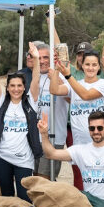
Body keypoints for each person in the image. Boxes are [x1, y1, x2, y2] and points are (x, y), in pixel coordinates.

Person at [0, 42, 42, 200]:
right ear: (7, 87)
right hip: (2, 157)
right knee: (7, 196)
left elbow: (36, 81)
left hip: (24, 159)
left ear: (24, 87)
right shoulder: (1, 103)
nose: (16, 89)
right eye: (12, 85)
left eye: (19, 85)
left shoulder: (30, 102)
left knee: (25, 197)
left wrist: (37, 59)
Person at [49, 46, 104, 146]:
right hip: (80, 145)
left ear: (98, 67)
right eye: (87, 64)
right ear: (82, 66)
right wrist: (57, 68)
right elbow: (54, 90)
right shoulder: (74, 84)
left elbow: (86, 95)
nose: (90, 68)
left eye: (94, 65)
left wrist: (68, 76)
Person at [32, 42, 69, 181]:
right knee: (35, 178)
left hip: (54, 136)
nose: (42, 61)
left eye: (45, 57)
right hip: (35, 137)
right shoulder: (34, 77)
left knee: (44, 179)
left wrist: (56, 79)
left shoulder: (62, 77)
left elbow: (71, 99)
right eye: (39, 58)